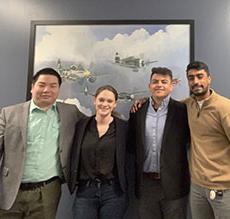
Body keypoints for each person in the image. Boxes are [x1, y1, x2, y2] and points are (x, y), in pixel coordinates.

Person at [0, 68, 84, 219]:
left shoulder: (70, 112)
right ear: (32, 87)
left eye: (53, 86)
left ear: (59, 89)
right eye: (42, 85)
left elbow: (95, 123)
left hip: (47, 192)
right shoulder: (9, 113)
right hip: (10, 190)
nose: (47, 90)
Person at [128, 67, 190, 219]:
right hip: (146, 184)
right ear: (149, 85)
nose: (159, 85)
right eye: (155, 81)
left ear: (171, 85)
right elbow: (131, 145)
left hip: (174, 184)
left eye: (164, 82)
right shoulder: (138, 110)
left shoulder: (183, 110)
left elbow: (189, 141)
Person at [68, 85, 128, 219]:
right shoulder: (82, 126)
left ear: (115, 104)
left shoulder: (124, 128)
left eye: (109, 101)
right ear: (94, 100)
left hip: (113, 192)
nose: (104, 104)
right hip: (85, 192)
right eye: (101, 100)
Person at [185, 61, 230, 219]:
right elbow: (165, 106)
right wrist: (143, 101)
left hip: (223, 189)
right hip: (197, 187)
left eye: (200, 76)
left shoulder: (224, 107)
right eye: (191, 78)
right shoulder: (188, 105)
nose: (196, 81)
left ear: (209, 79)